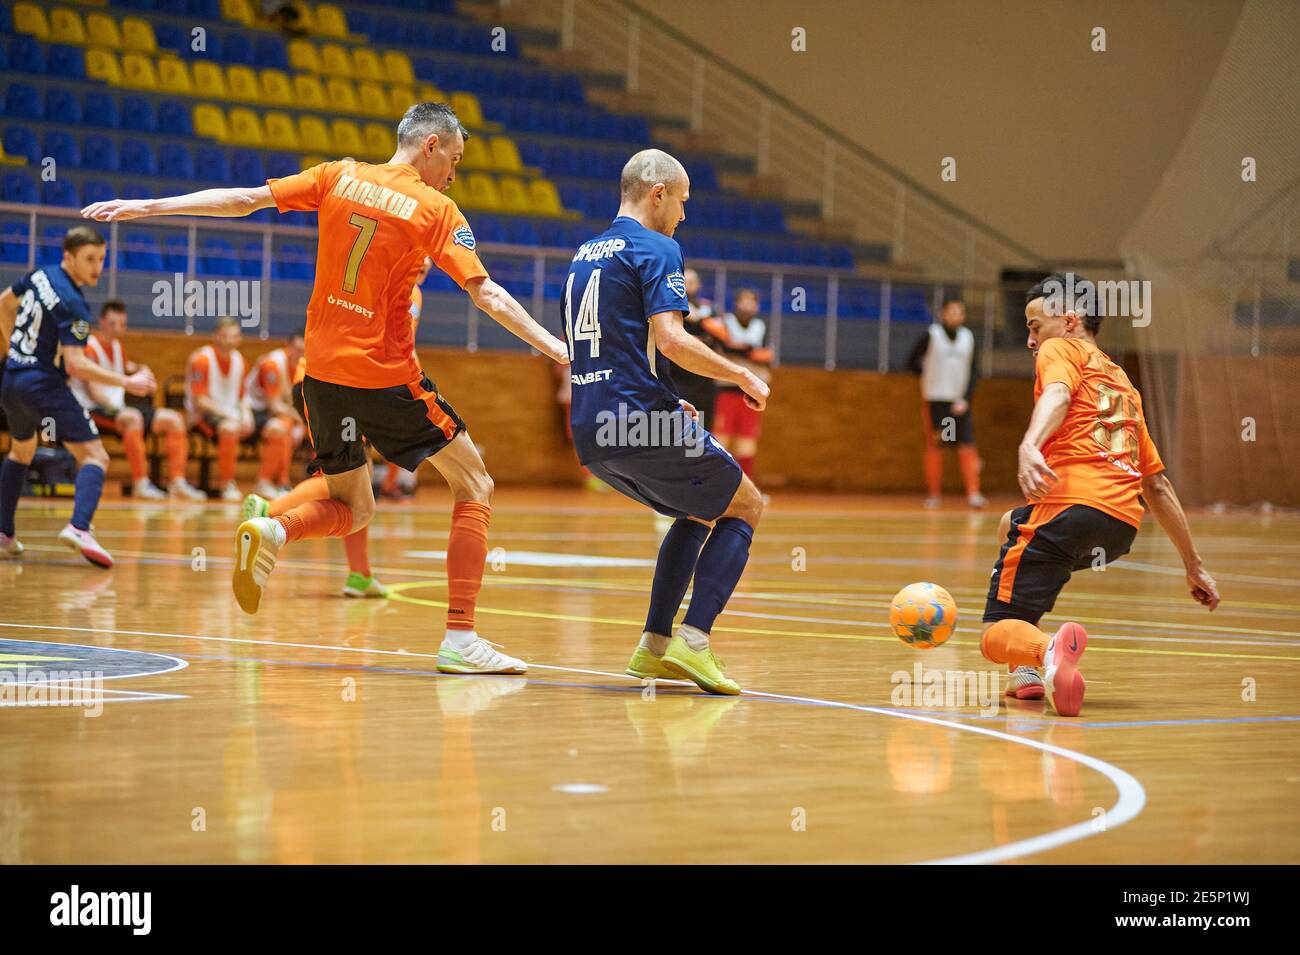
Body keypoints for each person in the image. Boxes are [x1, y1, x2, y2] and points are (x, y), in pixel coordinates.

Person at [84, 102, 570, 674]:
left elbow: (244, 200)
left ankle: (275, 526)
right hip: (384, 375)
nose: (454, 175)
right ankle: (461, 637)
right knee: (476, 482)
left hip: (319, 377)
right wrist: (557, 348)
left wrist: (152, 205)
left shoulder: (337, 174)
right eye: (455, 160)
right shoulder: (436, 208)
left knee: (353, 506)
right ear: (432, 145)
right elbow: (486, 294)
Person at [564, 148, 769, 695]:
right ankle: (694, 641)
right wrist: (742, 376)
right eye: (680, 201)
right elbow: (673, 341)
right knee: (747, 505)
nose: (682, 214)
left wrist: (662, 399)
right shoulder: (658, 246)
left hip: (591, 428)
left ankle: (654, 647)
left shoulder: (585, 252)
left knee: (698, 511)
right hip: (633, 419)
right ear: (657, 193)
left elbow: (611, 348)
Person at [980, 273, 1220, 715]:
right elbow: (1158, 486)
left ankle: (1047, 650)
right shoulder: (1123, 385)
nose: (1033, 341)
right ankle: (1027, 673)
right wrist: (1194, 566)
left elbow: (1057, 394)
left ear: (1069, 320)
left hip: (1072, 507)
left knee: (994, 633)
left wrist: (1030, 443)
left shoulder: (1061, 349)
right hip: (1119, 528)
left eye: (1035, 328)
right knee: (1010, 525)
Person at [0, 226, 155, 566]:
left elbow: (3, 303)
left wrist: (14, 349)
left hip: (11, 379)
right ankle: (79, 527)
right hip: (43, 385)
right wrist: (126, 382)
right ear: (68, 256)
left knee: (21, 452)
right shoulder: (75, 305)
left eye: (101, 259)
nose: (97, 267)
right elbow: (76, 364)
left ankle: (4, 534)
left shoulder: (39, 275)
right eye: (89, 259)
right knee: (95, 457)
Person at [70, 299, 205, 501]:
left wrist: (142, 371)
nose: (118, 329)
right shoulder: (90, 347)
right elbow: (95, 393)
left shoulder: (116, 346)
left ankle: (177, 482)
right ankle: (140, 483)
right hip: (92, 409)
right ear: (102, 322)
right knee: (133, 417)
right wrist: (127, 399)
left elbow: (126, 366)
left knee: (174, 420)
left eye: (122, 324)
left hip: (117, 407)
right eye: (113, 323)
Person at [906, 295, 985, 508]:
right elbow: (910, 361)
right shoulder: (932, 335)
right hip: (937, 401)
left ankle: (973, 494)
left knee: (967, 446)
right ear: (942, 314)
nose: (955, 316)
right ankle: (934, 495)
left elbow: (975, 371)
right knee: (937, 445)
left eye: (959, 312)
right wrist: (929, 376)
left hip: (959, 403)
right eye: (951, 311)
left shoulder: (968, 338)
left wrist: (966, 398)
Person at [184, 317, 257, 502]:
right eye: (225, 336)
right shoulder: (202, 359)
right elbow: (200, 401)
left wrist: (246, 414)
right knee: (230, 428)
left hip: (228, 415)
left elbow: (242, 397)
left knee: (262, 427)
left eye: (234, 336)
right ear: (216, 336)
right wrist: (229, 415)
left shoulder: (241, 361)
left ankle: (274, 481)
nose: (230, 340)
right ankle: (226, 483)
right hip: (202, 416)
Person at [711, 287, 772, 480]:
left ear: (757, 306)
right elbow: (724, 346)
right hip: (727, 388)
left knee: (747, 441)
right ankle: (718, 483)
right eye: (744, 301)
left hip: (752, 392)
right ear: (736, 303)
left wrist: (743, 350)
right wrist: (747, 350)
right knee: (722, 439)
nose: (747, 305)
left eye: (752, 301)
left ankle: (745, 487)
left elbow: (766, 355)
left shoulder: (761, 325)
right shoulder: (725, 322)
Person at [245, 329, 306, 498]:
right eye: (296, 349)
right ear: (287, 346)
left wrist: (300, 422)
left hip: (279, 412)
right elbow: (274, 405)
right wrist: (300, 420)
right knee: (280, 428)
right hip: (253, 411)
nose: (300, 354)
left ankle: (284, 482)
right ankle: (264, 482)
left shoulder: (303, 365)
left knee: (289, 425)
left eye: (303, 350)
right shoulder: (272, 364)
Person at [668, 267, 727, 432]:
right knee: (676, 433)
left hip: (705, 382)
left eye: (691, 282)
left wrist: (701, 319)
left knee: (703, 433)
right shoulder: (669, 310)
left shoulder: (709, 310)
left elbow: (723, 335)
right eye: (684, 282)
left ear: (699, 285)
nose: (687, 286)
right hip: (677, 381)